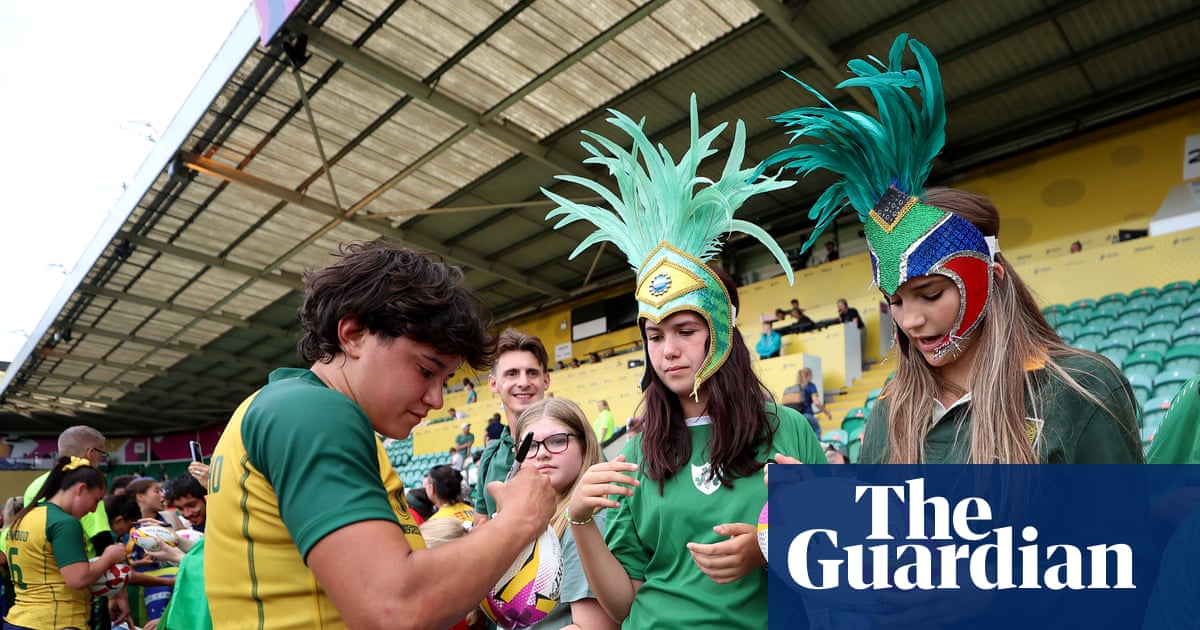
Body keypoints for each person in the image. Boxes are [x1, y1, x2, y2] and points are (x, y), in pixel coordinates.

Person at [765, 34, 1141, 465]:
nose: (911, 321)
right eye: (895, 302)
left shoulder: (1080, 390)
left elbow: (1123, 531)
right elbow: (876, 533)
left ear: (991, 276)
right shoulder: (889, 413)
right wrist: (822, 511)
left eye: (930, 294)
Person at [544, 95, 827, 628]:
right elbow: (624, 602)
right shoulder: (637, 450)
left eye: (685, 331)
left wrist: (769, 549)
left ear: (720, 334)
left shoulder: (786, 429)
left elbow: (834, 559)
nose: (668, 350)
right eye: (654, 335)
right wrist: (580, 521)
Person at [204, 240, 555, 629]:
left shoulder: (292, 409)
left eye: (445, 379)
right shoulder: (313, 413)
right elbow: (393, 608)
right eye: (425, 370)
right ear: (353, 334)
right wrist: (520, 519)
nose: (436, 398)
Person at [513, 398, 618, 629]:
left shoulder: (587, 521)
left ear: (585, 446)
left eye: (558, 441)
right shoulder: (531, 519)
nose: (541, 454)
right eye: (529, 446)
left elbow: (593, 627)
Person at [22, 425, 130, 628]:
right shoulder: (85, 489)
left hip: (30, 602)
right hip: (72, 603)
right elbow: (102, 541)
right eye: (102, 453)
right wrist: (118, 594)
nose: (92, 508)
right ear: (91, 452)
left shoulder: (35, 486)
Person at [473, 328, 551, 526]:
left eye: (532, 373)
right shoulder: (490, 456)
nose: (523, 382)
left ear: (546, 380)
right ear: (493, 383)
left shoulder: (576, 442)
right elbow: (480, 520)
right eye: (512, 374)